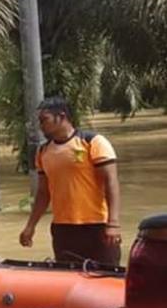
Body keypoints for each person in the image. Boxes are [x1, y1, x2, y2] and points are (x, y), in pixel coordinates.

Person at [19, 96, 122, 265]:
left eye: (44, 120)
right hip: (63, 229)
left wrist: (113, 224)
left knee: (106, 277)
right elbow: (44, 193)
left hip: (97, 226)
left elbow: (111, 182)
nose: (41, 125)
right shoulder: (43, 151)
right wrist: (30, 226)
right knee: (68, 278)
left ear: (61, 116)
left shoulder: (93, 142)